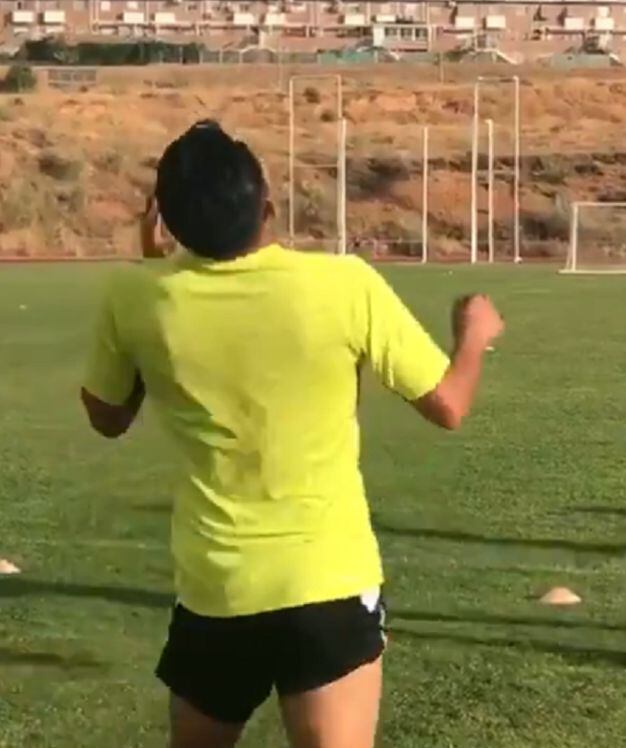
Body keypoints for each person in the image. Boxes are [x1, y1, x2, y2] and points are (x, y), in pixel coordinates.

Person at [80, 120, 504, 748]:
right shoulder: (345, 283)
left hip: (216, 589)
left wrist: (155, 268)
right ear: (269, 209)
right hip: (326, 580)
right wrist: (474, 333)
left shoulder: (134, 296)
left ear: (164, 223)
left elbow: (107, 416)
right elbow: (448, 404)